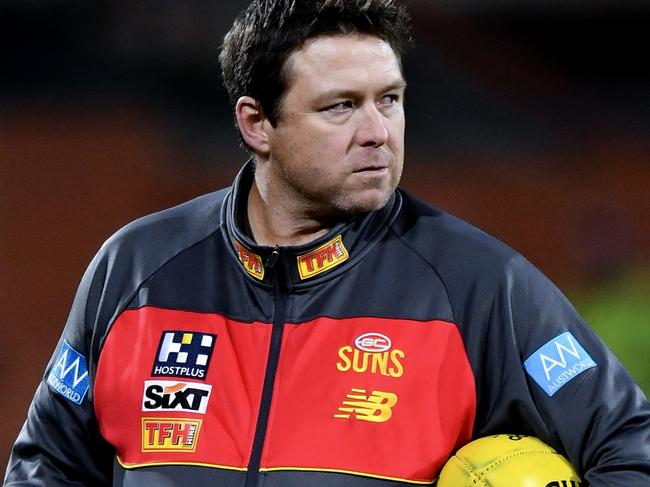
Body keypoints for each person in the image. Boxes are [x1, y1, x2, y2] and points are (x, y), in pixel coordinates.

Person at [5, 0, 650, 486]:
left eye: (389, 100)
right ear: (257, 123)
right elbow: (48, 464)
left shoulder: (480, 284)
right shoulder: (136, 269)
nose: (378, 132)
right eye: (341, 106)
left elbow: (630, 449)